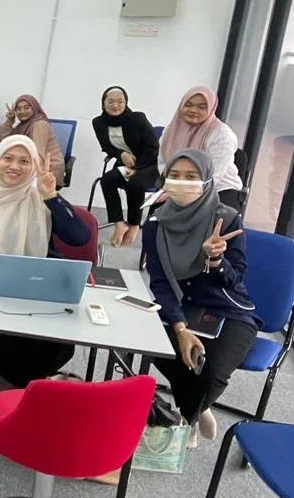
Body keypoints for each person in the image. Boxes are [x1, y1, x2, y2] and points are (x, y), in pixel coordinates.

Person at [0, 135, 90, 392]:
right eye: (8, 158)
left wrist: (51, 197)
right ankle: (28, 394)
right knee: (15, 340)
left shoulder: (41, 198)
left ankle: (8, 394)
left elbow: (79, 237)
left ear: (34, 165)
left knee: (51, 340)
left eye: (24, 161)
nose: (14, 166)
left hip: (42, 291)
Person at [145, 150, 258, 450]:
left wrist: (216, 260)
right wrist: (181, 328)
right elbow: (160, 282)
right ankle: (199, 406)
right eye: (175, 176)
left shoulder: (227, 219)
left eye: (191, 177)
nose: (182, 183)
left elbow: (235, 279)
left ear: (207, 181)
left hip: (227, 309)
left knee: (211, 371)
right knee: (149, 344)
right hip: (180, 305)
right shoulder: (156, 223)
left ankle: (188, 416)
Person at [91, 86, 159, 247]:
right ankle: (119, 223)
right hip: (125, 164)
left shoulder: (137, 118)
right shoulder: (98, 122)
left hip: (149, 164)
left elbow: (153, 146)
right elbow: (106, 146)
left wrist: (138, 167)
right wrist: (121, 154)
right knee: (107, 180)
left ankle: (134, 224)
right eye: (110, 102)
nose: (115, 105)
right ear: (103, 103)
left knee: (134, 183)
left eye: (120, 101)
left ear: (126, 102)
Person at [159, 86, 243, 210]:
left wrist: (184, 193)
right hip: (178, 186)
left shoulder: (222, 134)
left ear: (211, 108)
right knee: (156, 214)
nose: (193, 110)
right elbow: (163, 162)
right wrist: (173, 186)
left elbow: (215, 175)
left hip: (218, 189)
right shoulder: (171, 130)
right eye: (188, 105)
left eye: (202, 107)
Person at [0, 94, 65, 182]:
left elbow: (38, 155)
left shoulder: (39, 125)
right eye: (18, 109)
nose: (22, 111)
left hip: (48, 170)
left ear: (34, 108)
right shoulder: (22, 125)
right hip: (29, 164)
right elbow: (3, 139)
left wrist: (34, 177)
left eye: (26, 108)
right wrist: (10, 120)